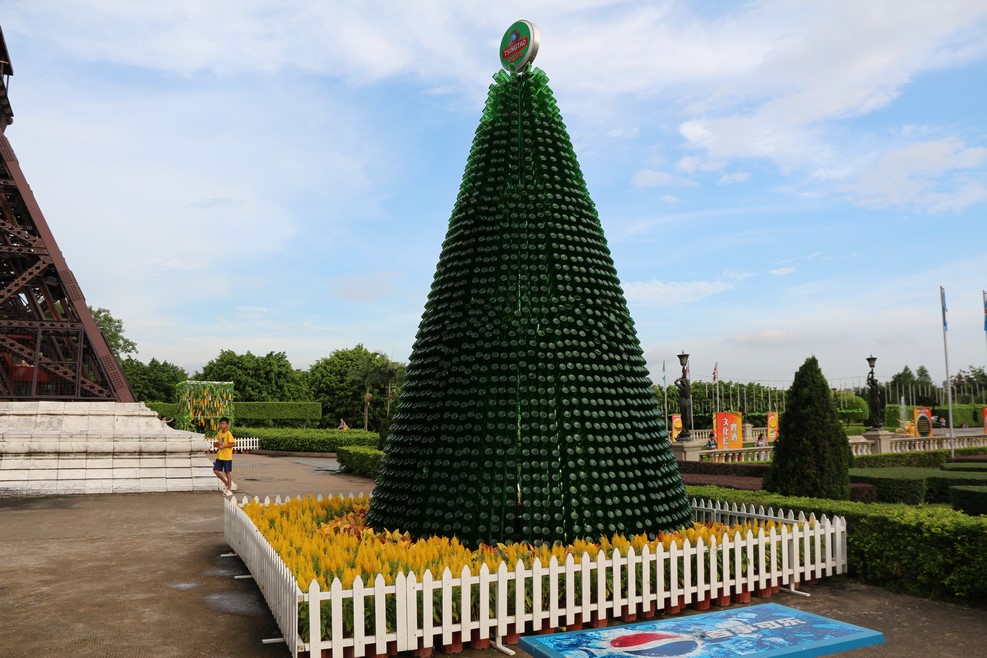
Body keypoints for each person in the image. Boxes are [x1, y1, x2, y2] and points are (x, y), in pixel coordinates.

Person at [212, 417, 237, 495]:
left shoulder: (228, 433)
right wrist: (216, 444)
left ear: (227, 425)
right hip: (219, 456)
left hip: (227, 456)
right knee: (215, 471)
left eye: (223, 423)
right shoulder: (219, 433)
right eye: (221, 423)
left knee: (227, 472)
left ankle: (229, 489)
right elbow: (217, 442)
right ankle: (226, 483)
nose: (222, 425)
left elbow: (233, 444)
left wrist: (224, 446)